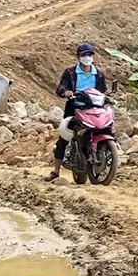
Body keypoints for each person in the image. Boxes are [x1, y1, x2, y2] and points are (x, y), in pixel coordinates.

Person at [46, 43, 107, 182]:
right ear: (78, 57)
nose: (87, 58)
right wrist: (65, 92)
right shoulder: (70, 73)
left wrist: (108, 99)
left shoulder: (99, 74)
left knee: (105, 128)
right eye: (84, 55)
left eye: (89, 55)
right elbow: (61, 87)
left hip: (94, 108)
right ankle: (55, 171)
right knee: (64, 138)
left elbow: (103, 91)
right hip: (75, 107)